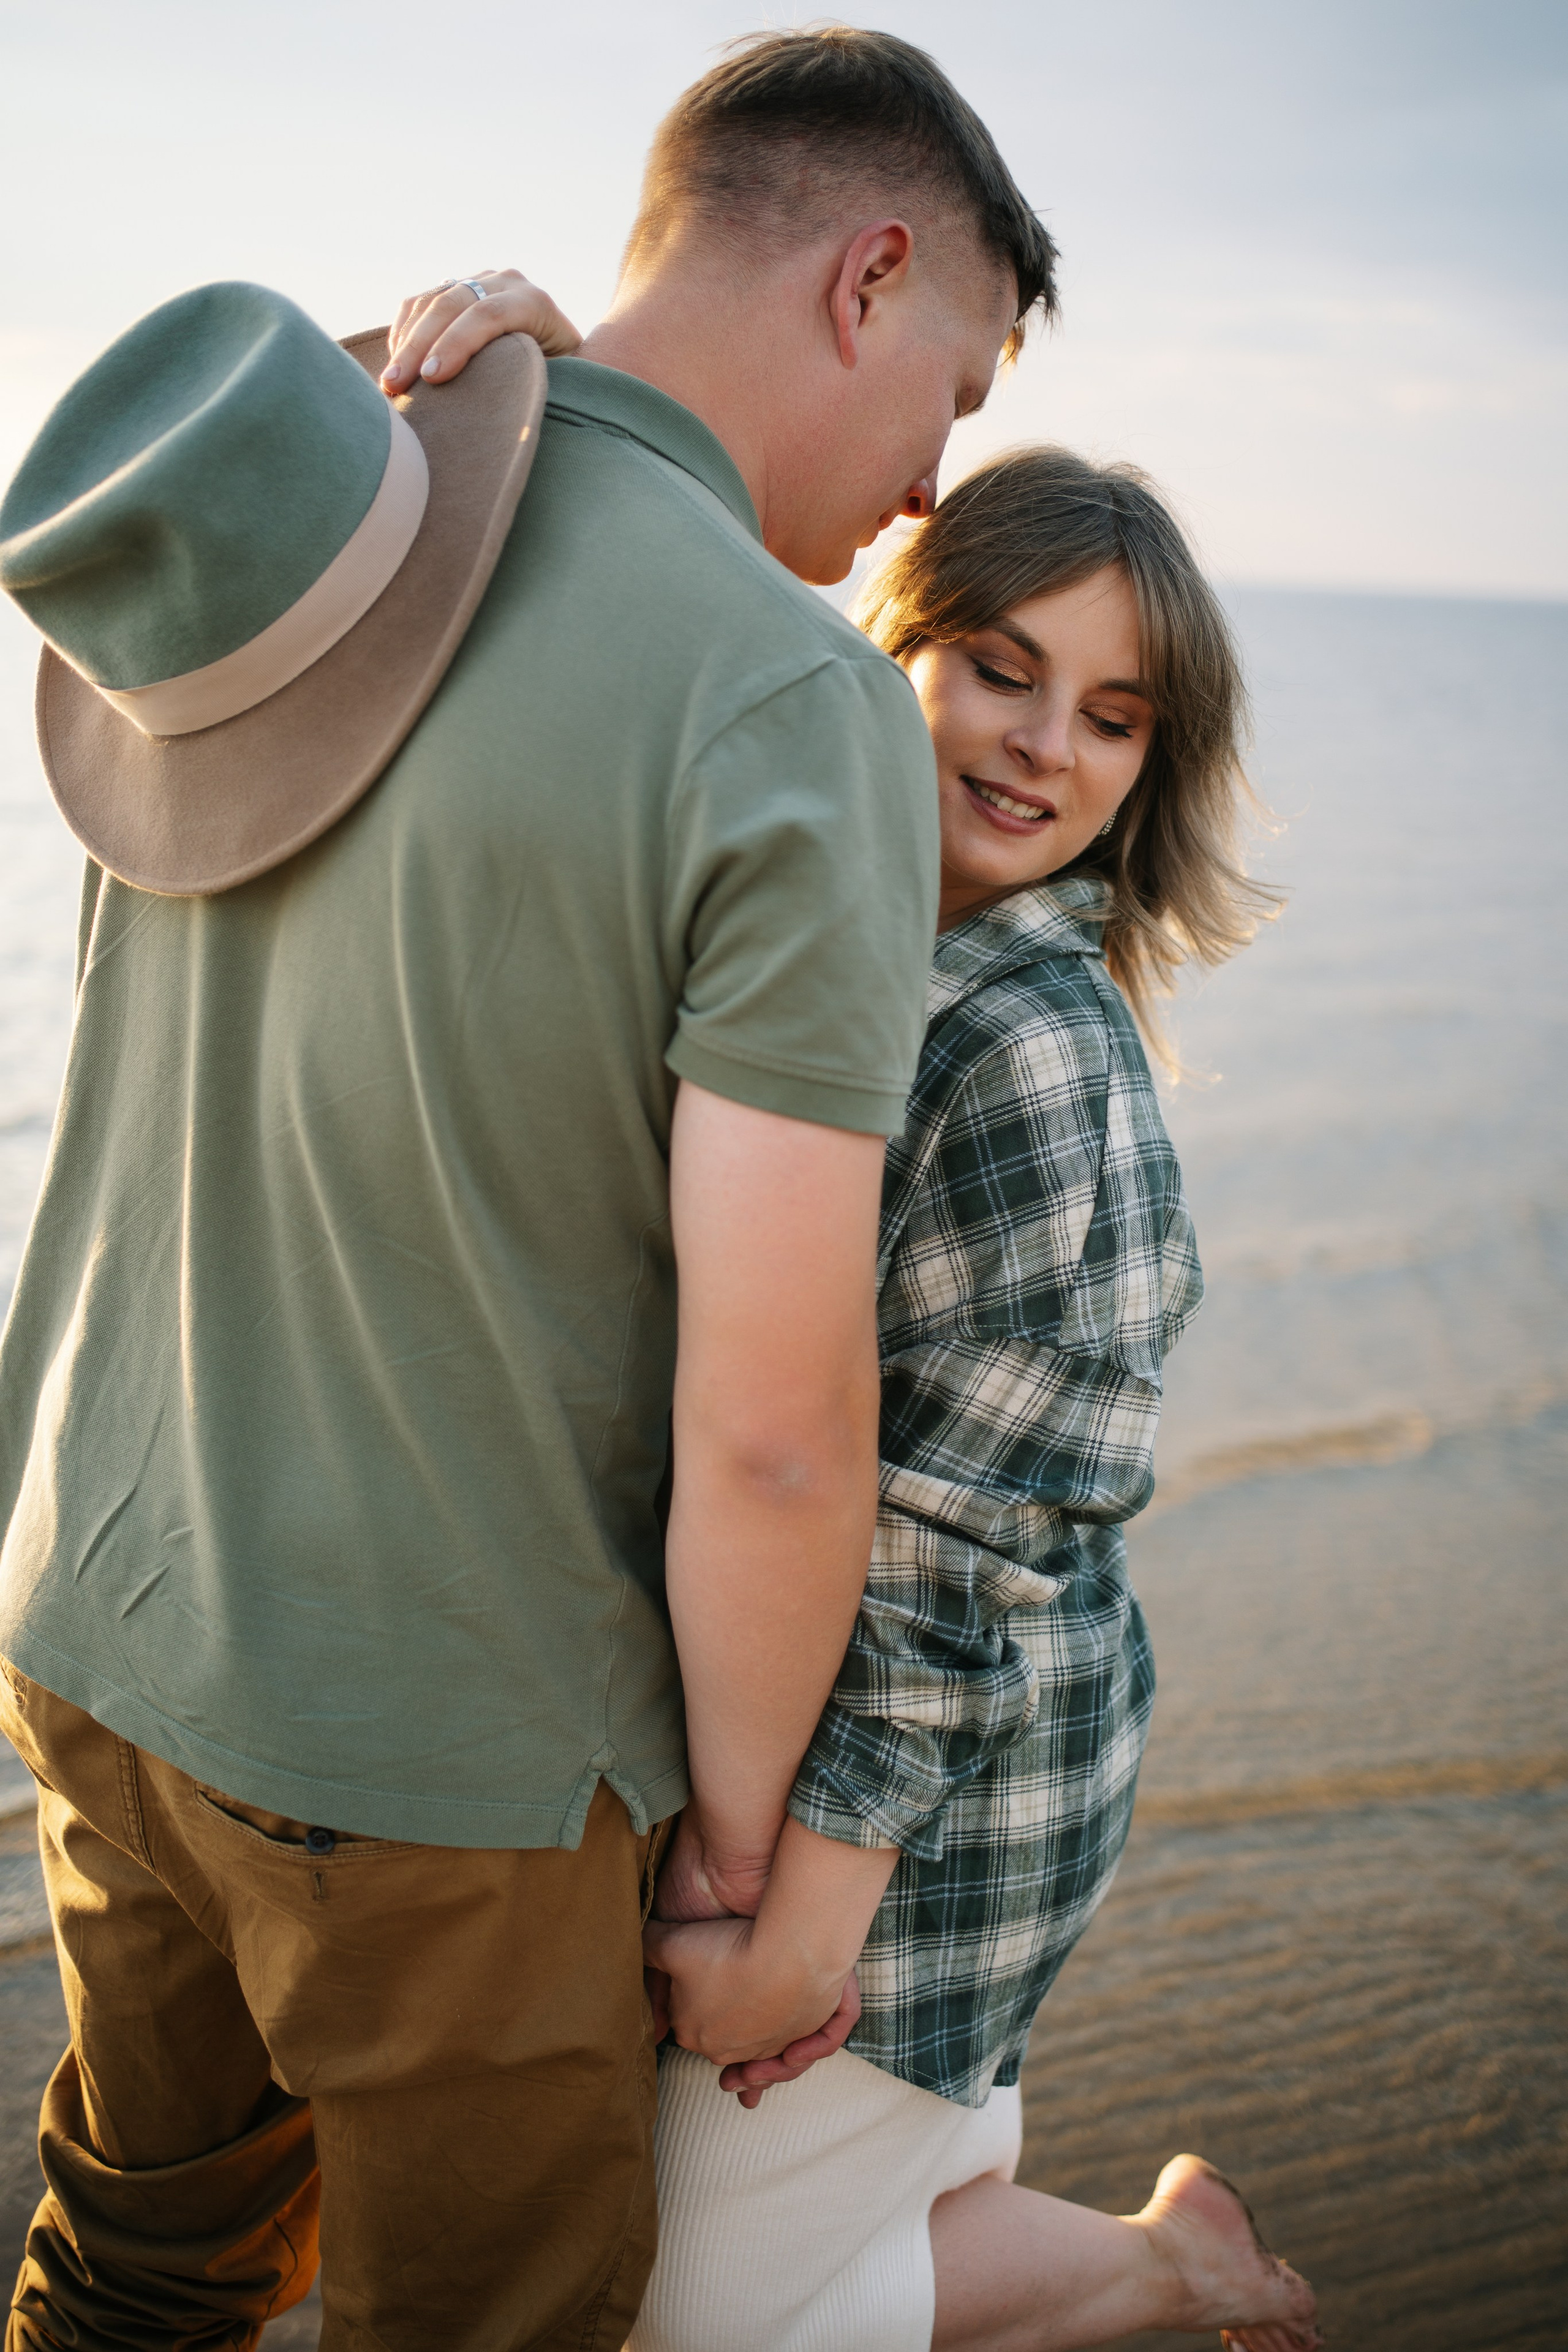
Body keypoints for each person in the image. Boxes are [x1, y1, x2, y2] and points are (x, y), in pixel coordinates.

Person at [0, 29, 1057, 2351]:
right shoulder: (785, 698)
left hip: (94, 1622)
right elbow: (777, 1429)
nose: (928, 481)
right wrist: (750, 1851)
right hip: (442, 1763)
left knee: (128, 2283)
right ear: (871, 276)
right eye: (956, 396)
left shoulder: (320, 513)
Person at [394, 263, 1322, 2349]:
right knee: (789, 2255)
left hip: (937, 1780)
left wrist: (808, 1909)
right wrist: (534, 347)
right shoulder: (817, 921)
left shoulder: (1022, 1050)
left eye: (1110, 718)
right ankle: (1171, 2259)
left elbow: (971, 1539)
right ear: (887, 644)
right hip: (843, 1739)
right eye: (1000, 668)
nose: (1042, 749)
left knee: (703, 2318)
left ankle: (1160, 2271)